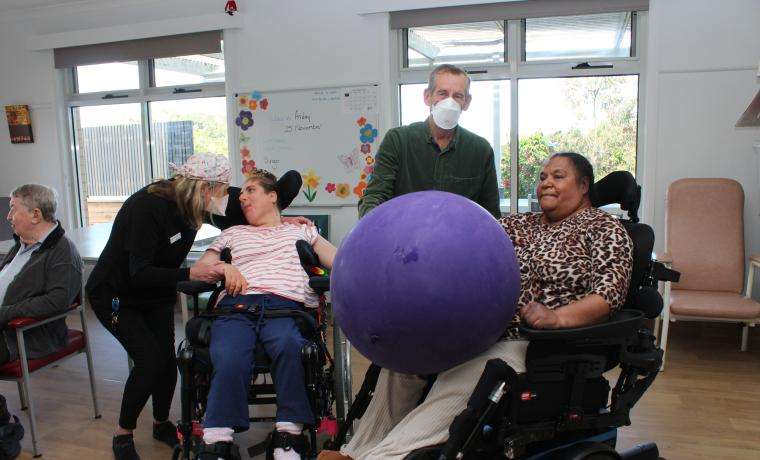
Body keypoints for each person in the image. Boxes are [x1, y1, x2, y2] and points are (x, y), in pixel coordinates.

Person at [319, 152, 633, 459]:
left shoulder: (603, 228)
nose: (546, 183)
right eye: (542, 177)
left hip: (535, 340)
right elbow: (464, 243)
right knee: (403, 362)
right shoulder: (521, 224)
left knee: (467, 374)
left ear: (584, 186)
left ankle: (386, 456)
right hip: (481, 325)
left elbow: (608, 295)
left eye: (558, 176)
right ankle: (354, 452)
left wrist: (557, 318)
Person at [86, 153, 275, 460]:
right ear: (204, 187)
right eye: (223, 191)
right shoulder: (148, 207)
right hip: (116, 295)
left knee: (167, 361)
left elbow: (250, 215)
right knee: (148, 361)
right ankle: (123, 434)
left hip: (156, 293)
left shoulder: (196, 203)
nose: (227, 199)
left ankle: (161, 423)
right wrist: (191, 273)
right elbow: (139, 271)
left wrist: (287, 220)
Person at [192, 169, 337, 460]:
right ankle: (217, 440)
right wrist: (224, 268)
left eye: (250, 191)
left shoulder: (302, 230)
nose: (242, 197)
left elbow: (339, 260)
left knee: (289, 346)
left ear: (273, 196)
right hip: (238, 305)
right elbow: (198, 270)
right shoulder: (232, 234)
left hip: (286, 305)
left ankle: (288, 435)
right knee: (228, 353)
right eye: (241, 193)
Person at [358, 63, 500, 219]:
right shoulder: (398, 141)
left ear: (466, 102)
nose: (449, 102)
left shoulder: (480, 150)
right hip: (405, 239)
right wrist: (371, 228)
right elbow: (375, 196)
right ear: (427, 97)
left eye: (458, 96)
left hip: (457, 241)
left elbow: (490, 213)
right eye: (442, 93)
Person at [0, 184, 82, 365]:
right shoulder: (22, 245)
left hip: (24, 335)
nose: (8, 216)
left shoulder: (63, 251)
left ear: (35, 215)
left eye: (13, 208)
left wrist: (5, 313)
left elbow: (57, 300)